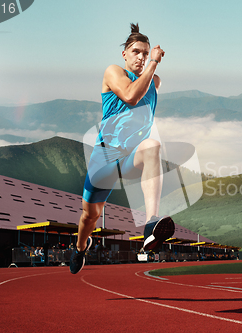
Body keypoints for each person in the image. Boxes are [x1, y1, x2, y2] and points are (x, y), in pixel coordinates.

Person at [70, 23, 175, 274]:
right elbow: (130, 96)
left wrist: (151, 69)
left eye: (146, 53)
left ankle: (150, 223)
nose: (141, 57)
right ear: (124, 54)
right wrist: (154, 64)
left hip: (130, 158)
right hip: (104, 160)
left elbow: (146, 89)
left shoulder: (154, 80)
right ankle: (81, 247)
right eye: (136, 51)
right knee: (90, 217)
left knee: (152, 146)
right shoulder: (113, 72)